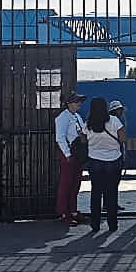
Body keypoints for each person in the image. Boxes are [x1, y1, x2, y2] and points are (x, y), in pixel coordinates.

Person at [84, 96, 127, 233]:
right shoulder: (114, 121)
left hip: (94, 161)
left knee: (96, 193)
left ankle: (95, 224)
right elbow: (123, 138)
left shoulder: (88, 123)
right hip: (113, 161)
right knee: (111, 194)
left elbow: (83, 140)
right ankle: (112, 224)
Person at [54, 91, 87, 227]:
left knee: (75, 183)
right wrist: (67, 154)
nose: (79, 104)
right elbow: (60, 138)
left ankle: (73, 210)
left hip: (78, 153)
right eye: (76, 101)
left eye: (79, 101)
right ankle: (64, 212)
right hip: (69, 153)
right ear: (69, 103)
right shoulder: (62, 118)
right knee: (66, 184)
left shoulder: (77, 117)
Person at [108, 100, 129, 212]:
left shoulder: (114, 121)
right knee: (113, 182)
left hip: (115, 154)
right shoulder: (116, 122)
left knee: (111, 183)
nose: (121, 112)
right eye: (120, 110)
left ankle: (111, 203)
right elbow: (122, 139)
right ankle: (110, 204)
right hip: (115, 155)